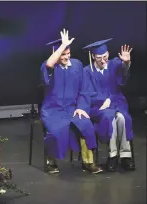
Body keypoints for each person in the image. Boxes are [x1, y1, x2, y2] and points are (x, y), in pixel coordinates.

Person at [40, 29, 102, 174]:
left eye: (68, 53)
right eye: (63, 54)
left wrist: (81, 107)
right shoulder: (49, 66)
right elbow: (49, 64)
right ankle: (51, 162)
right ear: (56, 54)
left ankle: (88, 162)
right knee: (55, 131)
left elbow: (84, 90)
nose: (67, 57)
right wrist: (62, 45)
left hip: (72, 108)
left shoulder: (77, 65)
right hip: (52, 110)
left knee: (85, 125)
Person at [83, 38, 135, 172]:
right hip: (98, 107)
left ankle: (125, 156)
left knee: (123, 118)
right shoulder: (87, 71)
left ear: (108, 54)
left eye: (105, 56)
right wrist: (103, 101)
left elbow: (123, 73)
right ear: (93, 56)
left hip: (117, 102)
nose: (103, 60)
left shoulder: (114, 64)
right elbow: (88, 93)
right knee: (110, 117)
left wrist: (126, 62)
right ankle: (113, 154)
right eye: (99, 57)